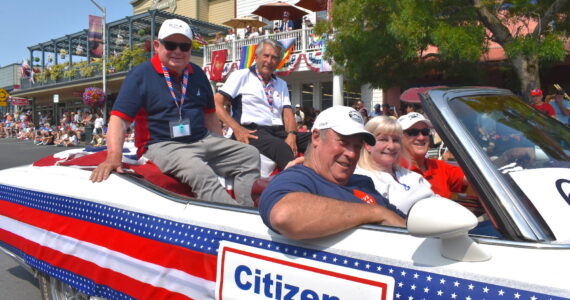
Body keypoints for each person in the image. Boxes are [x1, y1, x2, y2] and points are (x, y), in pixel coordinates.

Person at [90, 19, 260, 207]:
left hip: (201, 138)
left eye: (184, 46)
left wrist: (218, 146)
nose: (178, 51)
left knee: (250, 154)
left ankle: (248, 207)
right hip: (162, 144)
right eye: (171, 45)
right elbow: (119, 120)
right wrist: (113, 157)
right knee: (198, 170)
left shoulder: (197, 72)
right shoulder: (140, 74)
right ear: (157, 45)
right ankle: (237, 219)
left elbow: (210, 115)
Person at [258, 106, 406, 240]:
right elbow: (284, 215)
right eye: (343, 142)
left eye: (357, 146)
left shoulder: (363, 182)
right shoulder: (298, 177)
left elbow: (404, 221)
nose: (352, 154)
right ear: (316, 137)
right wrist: (376, 213)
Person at [214, 39, 311, 170]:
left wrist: (292, 134)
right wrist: (237, 129)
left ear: (278, 62)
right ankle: (297, 185)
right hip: (252, 130)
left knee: (316, 139)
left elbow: (287, 114)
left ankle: (328, 179)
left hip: (277, 131)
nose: (269, 61)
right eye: (266, 56)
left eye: (274, 58)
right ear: (256, 57)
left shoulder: (281, 83)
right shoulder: (241, 76)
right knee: (280, 147)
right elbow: (216, 103)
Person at [355, 116, 434, 214]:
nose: (391, 146)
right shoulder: (361, 179)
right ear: (368, 145)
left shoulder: (410, 175)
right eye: (383, 139)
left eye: (396, 140)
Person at [398, 112, 468, 198]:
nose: (421, 137)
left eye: (425, 132)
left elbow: (473, 178)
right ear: (399, 138)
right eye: (413, 132)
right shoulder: (393, 170)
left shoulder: (438, 166)